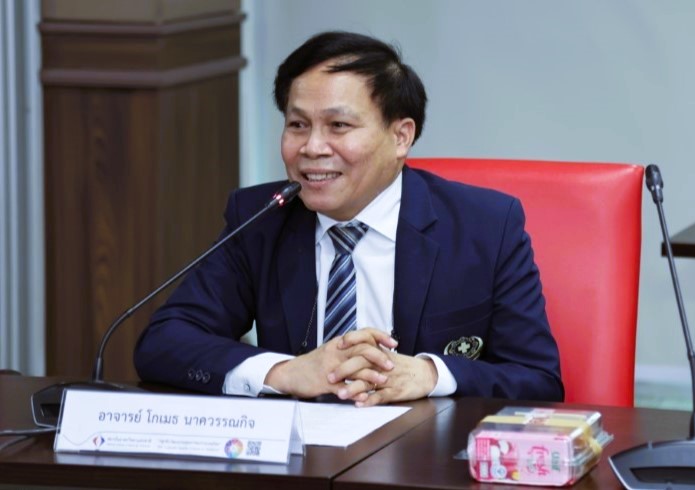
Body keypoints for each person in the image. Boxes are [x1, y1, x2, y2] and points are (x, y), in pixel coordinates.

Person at [134, 31, 563, 406]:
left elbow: (537, 379)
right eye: (297, 125)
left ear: (401, 136)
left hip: (425, 455)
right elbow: (163, 343)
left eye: (338, 125)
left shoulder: (484, 227)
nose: (312, 147)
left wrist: (431, 375)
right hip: (300, 458)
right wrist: (285, 372)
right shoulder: (262, 217)